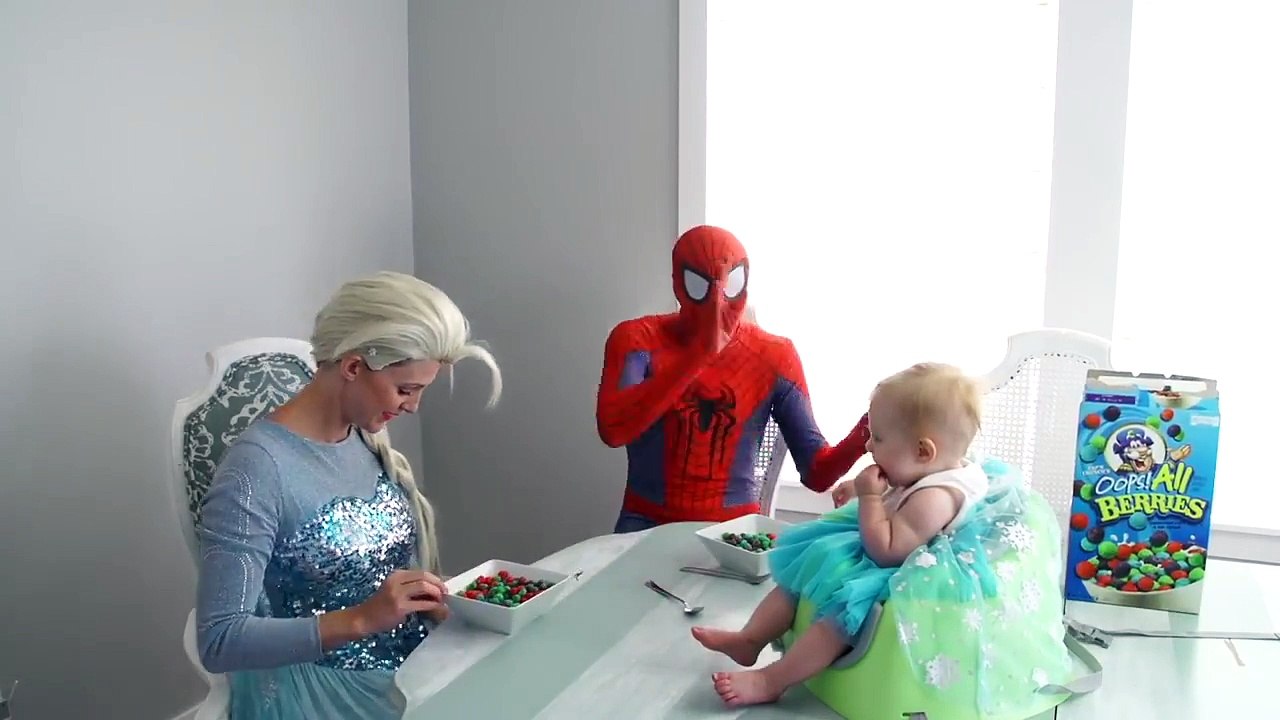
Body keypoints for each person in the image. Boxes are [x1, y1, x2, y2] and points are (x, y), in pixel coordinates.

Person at [196, 271, 501, 719]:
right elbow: (220, 640)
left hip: (415, 662)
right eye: (405, 389)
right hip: (326, 692)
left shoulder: (362, 437)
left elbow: (382, 570)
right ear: (354, 367)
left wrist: (432, 603)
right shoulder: (256, 471)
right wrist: (361, 619)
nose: (413, 406)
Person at [692, 362, 992, 706]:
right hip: (889, 539)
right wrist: (859, 489)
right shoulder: (930, 467)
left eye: (878, 438)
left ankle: (772, 680)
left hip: (899, 566)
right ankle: (750, 639)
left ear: (923, 451)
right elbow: (902, 488)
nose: (868, 446)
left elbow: (887, 552)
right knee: (808, 563)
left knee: (841, 616)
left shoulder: (936, 498)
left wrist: (870, 499)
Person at [595, 225, 870, 532]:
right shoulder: (637, 340)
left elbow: (816, 473)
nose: (717, 302)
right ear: (679, 282)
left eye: (731, 285)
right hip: (645, 522)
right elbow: (613, 430)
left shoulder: (774, 355)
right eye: (699, 285)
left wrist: (869, 432)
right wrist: (696, 357)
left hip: (735, 530)